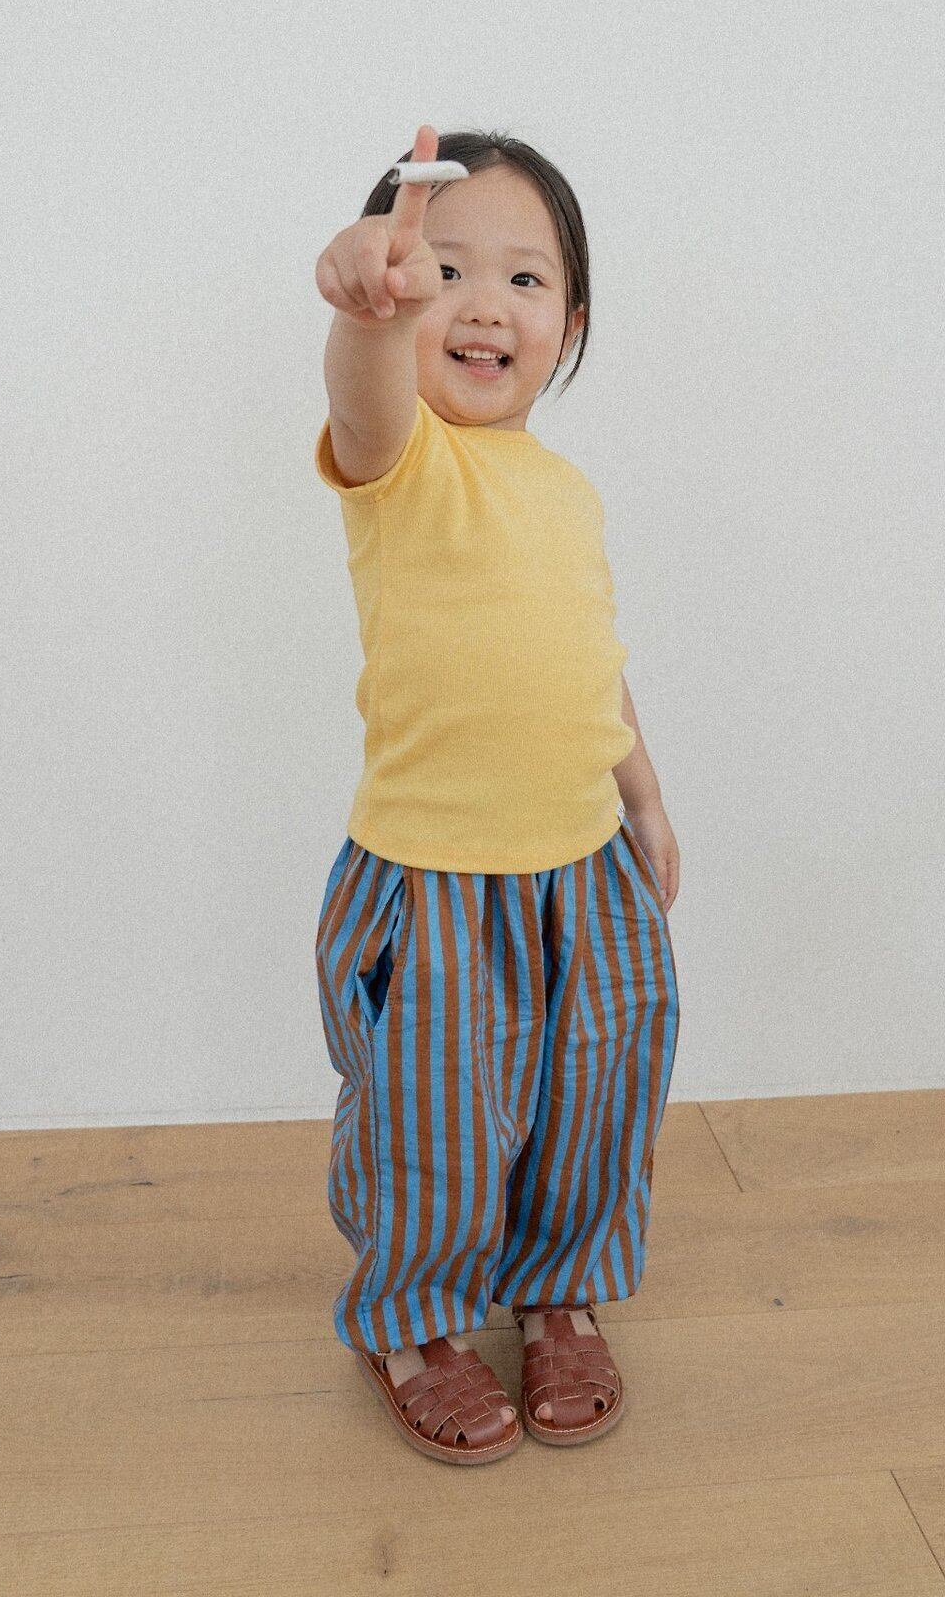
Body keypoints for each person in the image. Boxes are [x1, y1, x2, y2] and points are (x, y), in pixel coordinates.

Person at [311, 122, 680, 1464]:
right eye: (444, 271)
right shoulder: (402, 459)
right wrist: (366, 303)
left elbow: (591, 659)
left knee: (597, 1096)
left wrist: (645, 798)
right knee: (437, 1127)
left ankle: (559, 1288)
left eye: (525, 279)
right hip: (436, 876)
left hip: (586, 868)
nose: (479, 305)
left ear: (569, 327)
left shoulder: (566, 491)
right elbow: (363, 392)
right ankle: (417, 1323)